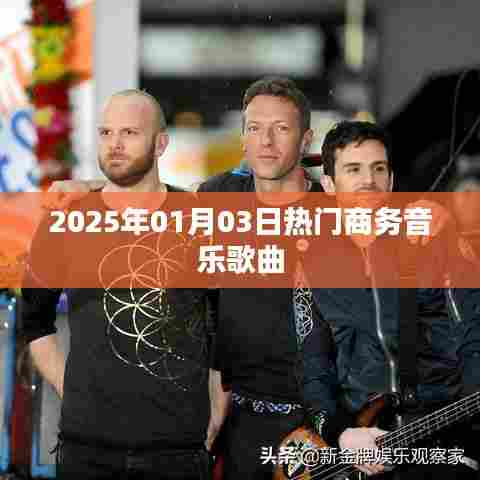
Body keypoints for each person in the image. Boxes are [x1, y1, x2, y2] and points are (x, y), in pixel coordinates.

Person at [44, 79, 453, 480]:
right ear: (242, 138)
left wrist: (428, 213)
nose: (266, 142)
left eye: (281, 128)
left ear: (305, 139)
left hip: (322, 421)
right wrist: (89, 186)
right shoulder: (216, 197)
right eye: (255, 128)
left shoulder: (334, 207)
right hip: (239, 422)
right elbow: (153, 194)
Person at [21, 89, 229, 479]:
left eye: (129, 133)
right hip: (86, 449)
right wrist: (72, 390)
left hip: (178, 449)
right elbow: (34, 322)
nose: (114, 144)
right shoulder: (66, 219)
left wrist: (219, 405)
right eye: (106, 132)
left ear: (160, 143)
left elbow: (224, 323)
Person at [303, 120, 480, 478]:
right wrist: (342, 433)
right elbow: (312, 369)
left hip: (442, 438)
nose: (368, 180)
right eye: (354, 170)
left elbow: (472, 334)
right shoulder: (310, 267)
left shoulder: (432, 241)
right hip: (361, 448)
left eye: (378, 168)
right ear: (329, 185)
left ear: (392, 180)